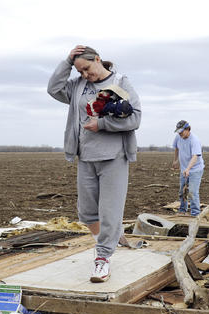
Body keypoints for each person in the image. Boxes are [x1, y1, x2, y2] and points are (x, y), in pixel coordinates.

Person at [47, 45, 141, 283]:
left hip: (113, 157)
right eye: (80, 71)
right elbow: (53, 88)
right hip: (86, 156)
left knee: (109, 212)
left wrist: (102, 125)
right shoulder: (78, 86)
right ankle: (108, 240)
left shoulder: (120, 82)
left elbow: (135, 118)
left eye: (87, 68)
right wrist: (68, 61)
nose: (85, 75)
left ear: (97, 59)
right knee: (87, 212)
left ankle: (103, 258)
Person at [172, 120, 204, 216]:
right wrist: (175, 160)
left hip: (195, 169)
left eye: (181, 131)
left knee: (192, 192)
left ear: (188, 129)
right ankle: (182, 210)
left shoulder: (194, 140)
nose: (180, 133)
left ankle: (195, 213)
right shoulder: (178, 137)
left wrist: (188, 169)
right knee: (182, 191)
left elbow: (195, 156)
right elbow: (176, 148)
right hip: (184, 169)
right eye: (178, 132)